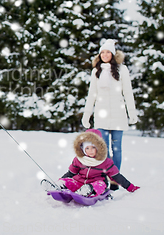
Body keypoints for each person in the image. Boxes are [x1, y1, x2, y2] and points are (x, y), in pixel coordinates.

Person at [82, 39, 138, 189]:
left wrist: (131, 112)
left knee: (117, 148)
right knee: (103, 149)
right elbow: (92, 94)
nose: (105, 55)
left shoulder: (122, 70)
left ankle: (115, 178)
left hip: (118, 114)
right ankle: (104, 177)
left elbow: (128, 92)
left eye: (108, 52)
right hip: (101, 115)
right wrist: (86, 115)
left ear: (112, 54)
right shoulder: (96, 71)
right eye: (102, 52)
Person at [57, 129, 139, 197]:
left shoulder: (105, 162)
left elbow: (116, 176)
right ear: (83, 149)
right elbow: (71, 173)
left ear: (99, 148)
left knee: (100, 185)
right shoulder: (79, 159)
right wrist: (62, 180)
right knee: (69, 181)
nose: (90, 151)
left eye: (93, 147)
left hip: (97, 183)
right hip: (80, 183)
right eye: (87, 148)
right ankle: (59, 186)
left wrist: (130, 187)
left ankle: (89, 190)